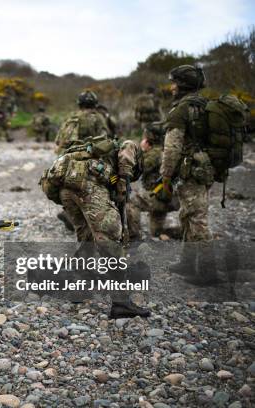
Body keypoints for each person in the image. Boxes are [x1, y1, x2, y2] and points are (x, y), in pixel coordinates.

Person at [56, 136, 151, 318]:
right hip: (89, 186)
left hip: (67, 188)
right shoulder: (131, 146)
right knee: (109, 240)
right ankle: (121, 302)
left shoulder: (94, 153)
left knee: (86, 238)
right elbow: (127, 152)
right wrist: (123, 184)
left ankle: (79, 289)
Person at [158, 65, 218, 285]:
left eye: (174, 82)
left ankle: (207, 272)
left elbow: (172, 148)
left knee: (197, 220)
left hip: (191, 171)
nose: (171, 86)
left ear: (182, 84)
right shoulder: (206, 105)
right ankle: (187, 262)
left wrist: (165, 175)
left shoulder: (181, 110)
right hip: (204, 169)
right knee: (187, 215)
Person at [55, 90, 111, 232]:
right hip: (87, 159)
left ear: (79, 104)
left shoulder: (71, 117)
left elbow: (58, 141)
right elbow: (104, 141)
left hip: (66, 160)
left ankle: (71, 213)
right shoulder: (98, 118)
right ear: (94, 104)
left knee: (69, 187)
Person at [127, 122, 180, 239]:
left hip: (156, 198)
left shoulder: (154, 153)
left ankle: (133, 235)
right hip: (166, 197)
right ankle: (181, 232)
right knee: (156, 232)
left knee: (130, 202)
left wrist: (141, 150)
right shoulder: (166, 150)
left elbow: (139, 168)